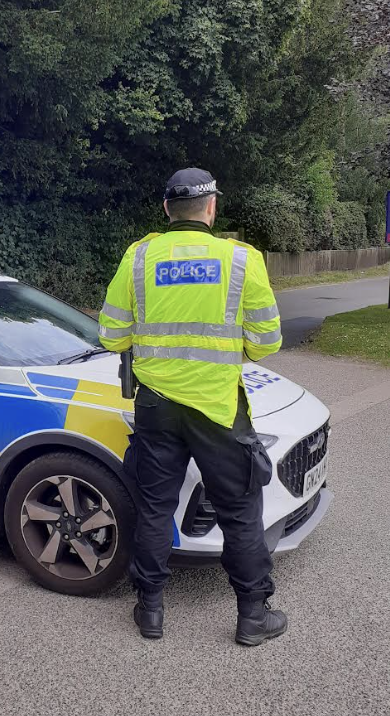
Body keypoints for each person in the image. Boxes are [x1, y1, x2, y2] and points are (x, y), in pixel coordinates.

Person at [98, 168, 285, 646]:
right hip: (219, 408)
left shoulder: (139, 257)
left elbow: (111, 335)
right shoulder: (242, 259)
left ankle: (151, 610)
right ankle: (251, 616)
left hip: (156, 406)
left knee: (155, 507)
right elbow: (267, 343)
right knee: (239, 511)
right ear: (211, 208)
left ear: (166, 210)